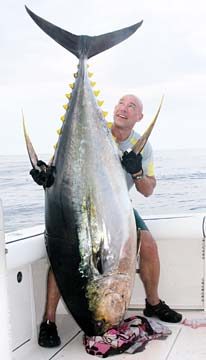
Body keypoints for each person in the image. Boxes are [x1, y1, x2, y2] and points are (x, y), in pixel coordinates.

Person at [30, 94, 182, 348]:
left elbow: (147, 189)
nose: (124, 108)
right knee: (64, 256)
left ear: (139, 118)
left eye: (131, 106)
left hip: (116, 209)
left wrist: (136, 171)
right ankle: (49, 322)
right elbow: (63, 167)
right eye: (121, 103)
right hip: (80, 204)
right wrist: (46, 175)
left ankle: (153, 303)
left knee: (148, 245)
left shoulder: (140, 145)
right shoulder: (92, 129)